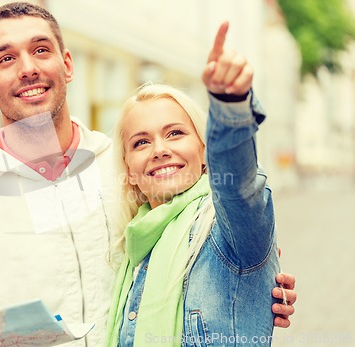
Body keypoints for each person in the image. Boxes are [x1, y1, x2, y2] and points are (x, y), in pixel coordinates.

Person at [0, 2, 296, 346]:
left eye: (40, 50)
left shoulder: (129, 165)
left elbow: (226, 215)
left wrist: (254, 281)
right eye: (6, 58)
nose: (28, 68)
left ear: (67, 64)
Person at [105, 22, 285, 346]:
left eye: (175, 133)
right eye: (141, 142)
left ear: (204, 151)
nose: (160, 150)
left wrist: (229, 105)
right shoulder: (132, 248)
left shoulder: (227, 227)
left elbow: (240, 186)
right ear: (129, 169)